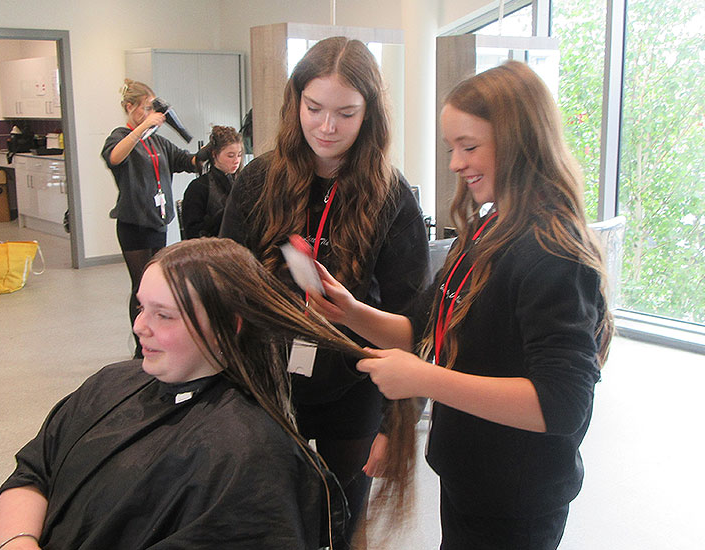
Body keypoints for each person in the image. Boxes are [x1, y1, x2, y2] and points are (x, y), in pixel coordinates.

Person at [309, 61, 614, 549]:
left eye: (468, 147)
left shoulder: (552, 253)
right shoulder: (488, 229)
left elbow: (562, 404)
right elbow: (423, 328)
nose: (455, 163)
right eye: (452, 148)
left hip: (515, 496)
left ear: (518, 142)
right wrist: (351, 312)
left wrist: (424, 379)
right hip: (470, 476)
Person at [0, 237, 373, 550]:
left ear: (229, 326)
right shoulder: (110, 382)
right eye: (142, 307)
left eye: (164, 315)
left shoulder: (250, 455)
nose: (139, 326)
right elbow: (32, 473)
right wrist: (17, 542)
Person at [220, 36, 429, 543]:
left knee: (343, 520)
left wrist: (393, 428)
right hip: (266, 381)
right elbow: (223, 284)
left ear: (369, 113)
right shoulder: (258, 180)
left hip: (354, 387)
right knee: (268, 519)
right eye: (314, 108)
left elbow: (415, 328)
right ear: (295, 101)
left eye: (346, 113)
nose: (327, 127)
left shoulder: (393, 197)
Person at [101, 78, 207, 358]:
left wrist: (205, 154)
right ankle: (140, 348)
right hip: (133, 223)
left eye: (152, 108)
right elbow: (115, 157)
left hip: (157, 221)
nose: (152, 113)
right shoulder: (120, 137)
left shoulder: (158, 142)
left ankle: (156, 338)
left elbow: (187, 161)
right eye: (146, 107)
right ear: (130, 107)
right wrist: (143, 127)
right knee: (140, 287)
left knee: (154, 287)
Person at [181, 125, 242, 239]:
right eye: (230, 156)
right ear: (214, 154)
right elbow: (193, 232)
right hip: (210, 246)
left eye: (239, 155)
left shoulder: (240, 183)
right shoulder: (198, 187)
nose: (236, 160)